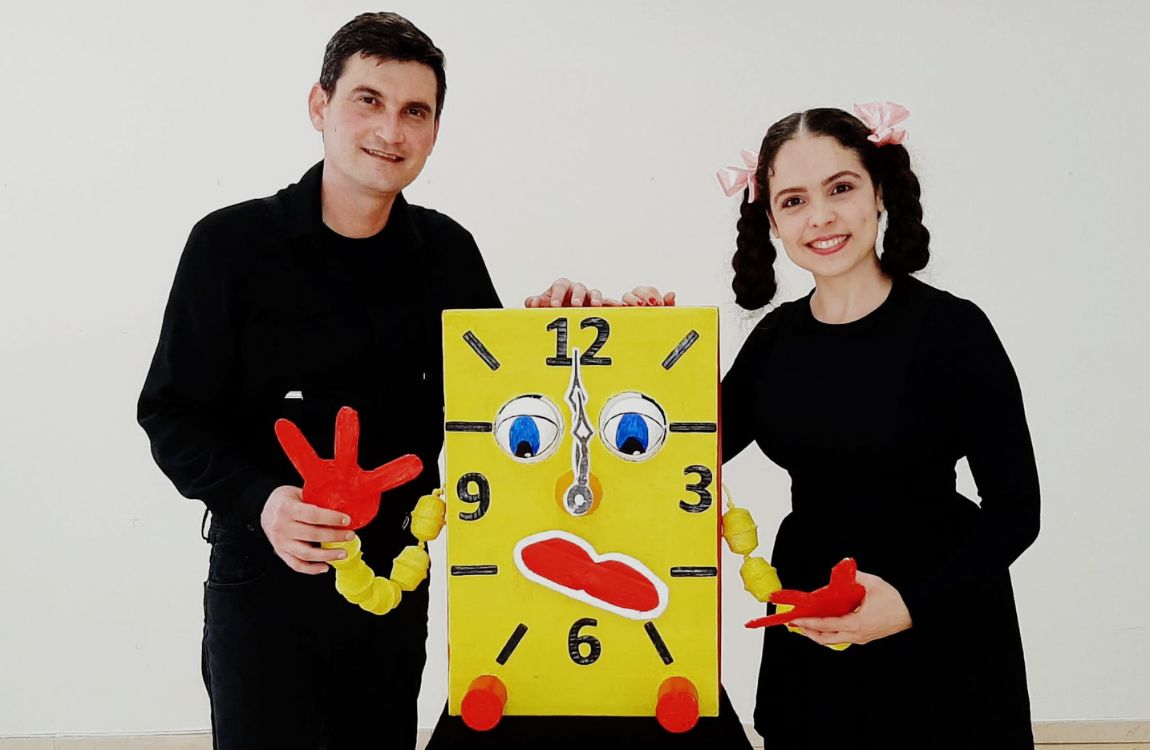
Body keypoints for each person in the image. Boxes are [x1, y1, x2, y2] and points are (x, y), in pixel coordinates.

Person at [138, 12, 601, 749]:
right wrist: (262, 503)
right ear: (320, 105)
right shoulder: (229, 244)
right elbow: (171, 413)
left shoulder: (448, 252)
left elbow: (505, 410)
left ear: (435, 129)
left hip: (393, 575)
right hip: (262, 569)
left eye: (415, 111)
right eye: (369, 100)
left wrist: (560, 329)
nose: (391, 130)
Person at [622, 105, 1040, 748]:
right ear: (772, 221)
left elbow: (1016, 511)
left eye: (840, 188)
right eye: (794, 200)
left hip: (942, 628)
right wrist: (639, 343)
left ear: (879, 192)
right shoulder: (774, 340)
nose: (819, 216)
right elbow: (677, 449)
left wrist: (909, 606)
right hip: (810, 624)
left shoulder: (955, 331)